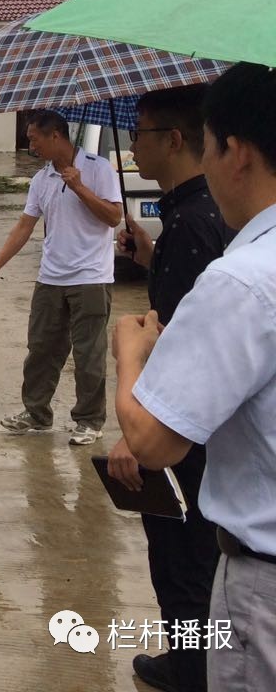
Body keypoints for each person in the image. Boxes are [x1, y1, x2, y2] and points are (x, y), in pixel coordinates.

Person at [113, 63, 276, 690]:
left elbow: (157, 439)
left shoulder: (239, 277)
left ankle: (186, 667)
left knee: (182, 565)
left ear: (233, 150)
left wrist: (133, 351)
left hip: (261, 574)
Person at [108, 86, 233, 692]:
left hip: (181, 426)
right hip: (212, 424)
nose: (132, 146)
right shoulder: (206, 214)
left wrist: (139, 432)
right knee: (196, 554)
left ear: (175, 140)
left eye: (140, 134)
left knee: (181, 557)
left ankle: (190, 669)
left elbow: (180, 344)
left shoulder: (189, 222)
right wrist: (150, 251)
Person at [0, 110, 123, 445]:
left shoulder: (98, 168)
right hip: (50, 277)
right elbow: (24, 226)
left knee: (89, 354)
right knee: (41, 349)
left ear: (56, 135)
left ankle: (89, 420)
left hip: (90, 277)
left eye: (34, 138)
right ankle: (36, 413)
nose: (30, 145)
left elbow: (114, 217)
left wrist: (79, 187)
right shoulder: (41, 179)